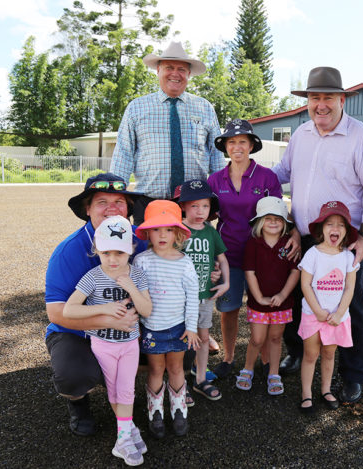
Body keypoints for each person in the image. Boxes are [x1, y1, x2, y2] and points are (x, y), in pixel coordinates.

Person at [273, 66, 363, 403]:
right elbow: (281, 174)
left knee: (350, 304)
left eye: (327, 98)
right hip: (303, 234)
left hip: (343, 240)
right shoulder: (301, 135)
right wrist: (243, 172)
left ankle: (352, 374)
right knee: (298, 299)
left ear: (341, 99)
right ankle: (298, 351)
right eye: (314, 98)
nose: (320, 105)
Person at [45, 173, 148, 437]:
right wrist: (108, 320)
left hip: (130, 326)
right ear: (87, 208)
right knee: (73, 376)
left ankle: (146, 391)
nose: (112, 208)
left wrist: (211, 271)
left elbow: (170, 264)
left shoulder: (139, 239)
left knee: (182, 348)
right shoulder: (69, 250)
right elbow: (56, 313)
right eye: (102, 201)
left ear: (128, 209)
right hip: (76, 331)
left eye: (119, 202)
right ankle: (78, 402)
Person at [63, 215, 152, 465]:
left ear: (131, 250)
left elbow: (146, 309)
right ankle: (125, 434)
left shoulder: (138, 274)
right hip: (103, 344)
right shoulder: (92, 277)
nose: (113, 260)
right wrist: (104, 310)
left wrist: (131, 287)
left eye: (119, 253)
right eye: (106, 253)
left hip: (130, 344)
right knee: (114, 389)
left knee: (126, 389)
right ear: (97, 251)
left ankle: (124, 435)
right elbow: (70, 310)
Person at [109, 41, 226, 222]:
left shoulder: (205, 108)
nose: (175, 74)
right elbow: (123, 155)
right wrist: (114, 199)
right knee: (147, 251)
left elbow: (216, 157)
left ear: (188, 74)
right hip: (148, 204)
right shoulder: (136, 108)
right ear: (158, 70)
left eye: (181, 69)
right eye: (169, 67)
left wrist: (222, 199)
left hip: (194, 207)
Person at [207, 119, 282, 379]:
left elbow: (276, 218)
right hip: (227, 255)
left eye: (242, 141)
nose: (237, 147)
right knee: (228, 310)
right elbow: (207, 218)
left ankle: (262, 359)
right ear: (225, 147)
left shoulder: (267, 177)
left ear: (251, 145)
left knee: (260, 308)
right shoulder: (215, 180)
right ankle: (228, 358)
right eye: (231, 142)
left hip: (261, 257)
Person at [134, 200, 200, 438]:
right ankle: (155, 410)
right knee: (155, 368)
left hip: (178, 328)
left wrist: (191, 328)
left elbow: (193, 297)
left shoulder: (185, 263)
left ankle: (179, 408)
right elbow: (136, 295)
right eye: (156, 229)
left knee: (175, 367)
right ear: (147, 233)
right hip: (152, 329)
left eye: (168, 229)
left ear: (177, 233)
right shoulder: (141, 261)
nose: (162, 235)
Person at [297, 201, 358, 414]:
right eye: (330, 223)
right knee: (311, 354)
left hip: (336, 317)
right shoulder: (313, 253)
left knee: (329, 354)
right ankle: (306, 393)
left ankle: (325, 390)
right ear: (322, 229)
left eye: (341, 225)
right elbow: (305, 284)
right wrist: (318, 311)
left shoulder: (348, 257)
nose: (335, 229)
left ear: (346, 231)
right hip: (313, 315)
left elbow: (350, 287)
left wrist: (340, 313)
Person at [236, 197, 300, 395]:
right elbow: (249, 273)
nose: (273, 222)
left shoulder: (288, 244)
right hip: (258, 304)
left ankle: (274, 373)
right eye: (268, 218)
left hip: (282, 303)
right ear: (259, 222)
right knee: (256, 338)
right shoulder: (253, 244)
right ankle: (247, 369)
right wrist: (258, 297)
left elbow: (295, 272)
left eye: (278, 219)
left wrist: (282, 294)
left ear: (284, 223)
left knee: (275, 337)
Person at [178, 179, 230, 402]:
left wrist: (226, 282)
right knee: (180, 340)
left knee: (204, 336)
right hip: (180, 298)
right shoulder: (177, 230)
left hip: (204, 296)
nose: (200, 211)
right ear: (183, 206)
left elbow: (222, 259)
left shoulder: (211, 232)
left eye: (205, 206)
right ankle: (178, 384)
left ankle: (200, 379)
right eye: (194, 206)